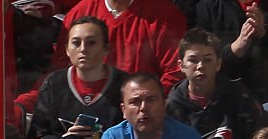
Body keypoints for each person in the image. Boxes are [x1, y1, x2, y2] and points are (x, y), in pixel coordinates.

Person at [166, 28, 268, 139]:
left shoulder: (238, 95)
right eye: (193, 60)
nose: (200, 66)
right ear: (181, 66)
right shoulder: (172, 107)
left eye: (208, 60)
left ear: (218, 64)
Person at [30, 17, 128, 139]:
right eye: (76, 43)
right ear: (67, 50)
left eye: (91, 43)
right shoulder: (53, 84)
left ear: (106, 48)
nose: (83, 49)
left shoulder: (125, 85)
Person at [52, 0, 187, 93]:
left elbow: (175, 73)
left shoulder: (165, 16)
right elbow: (62, 69)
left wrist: (145, 102)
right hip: (88, 109)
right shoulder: (79, 14)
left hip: (141, 114)